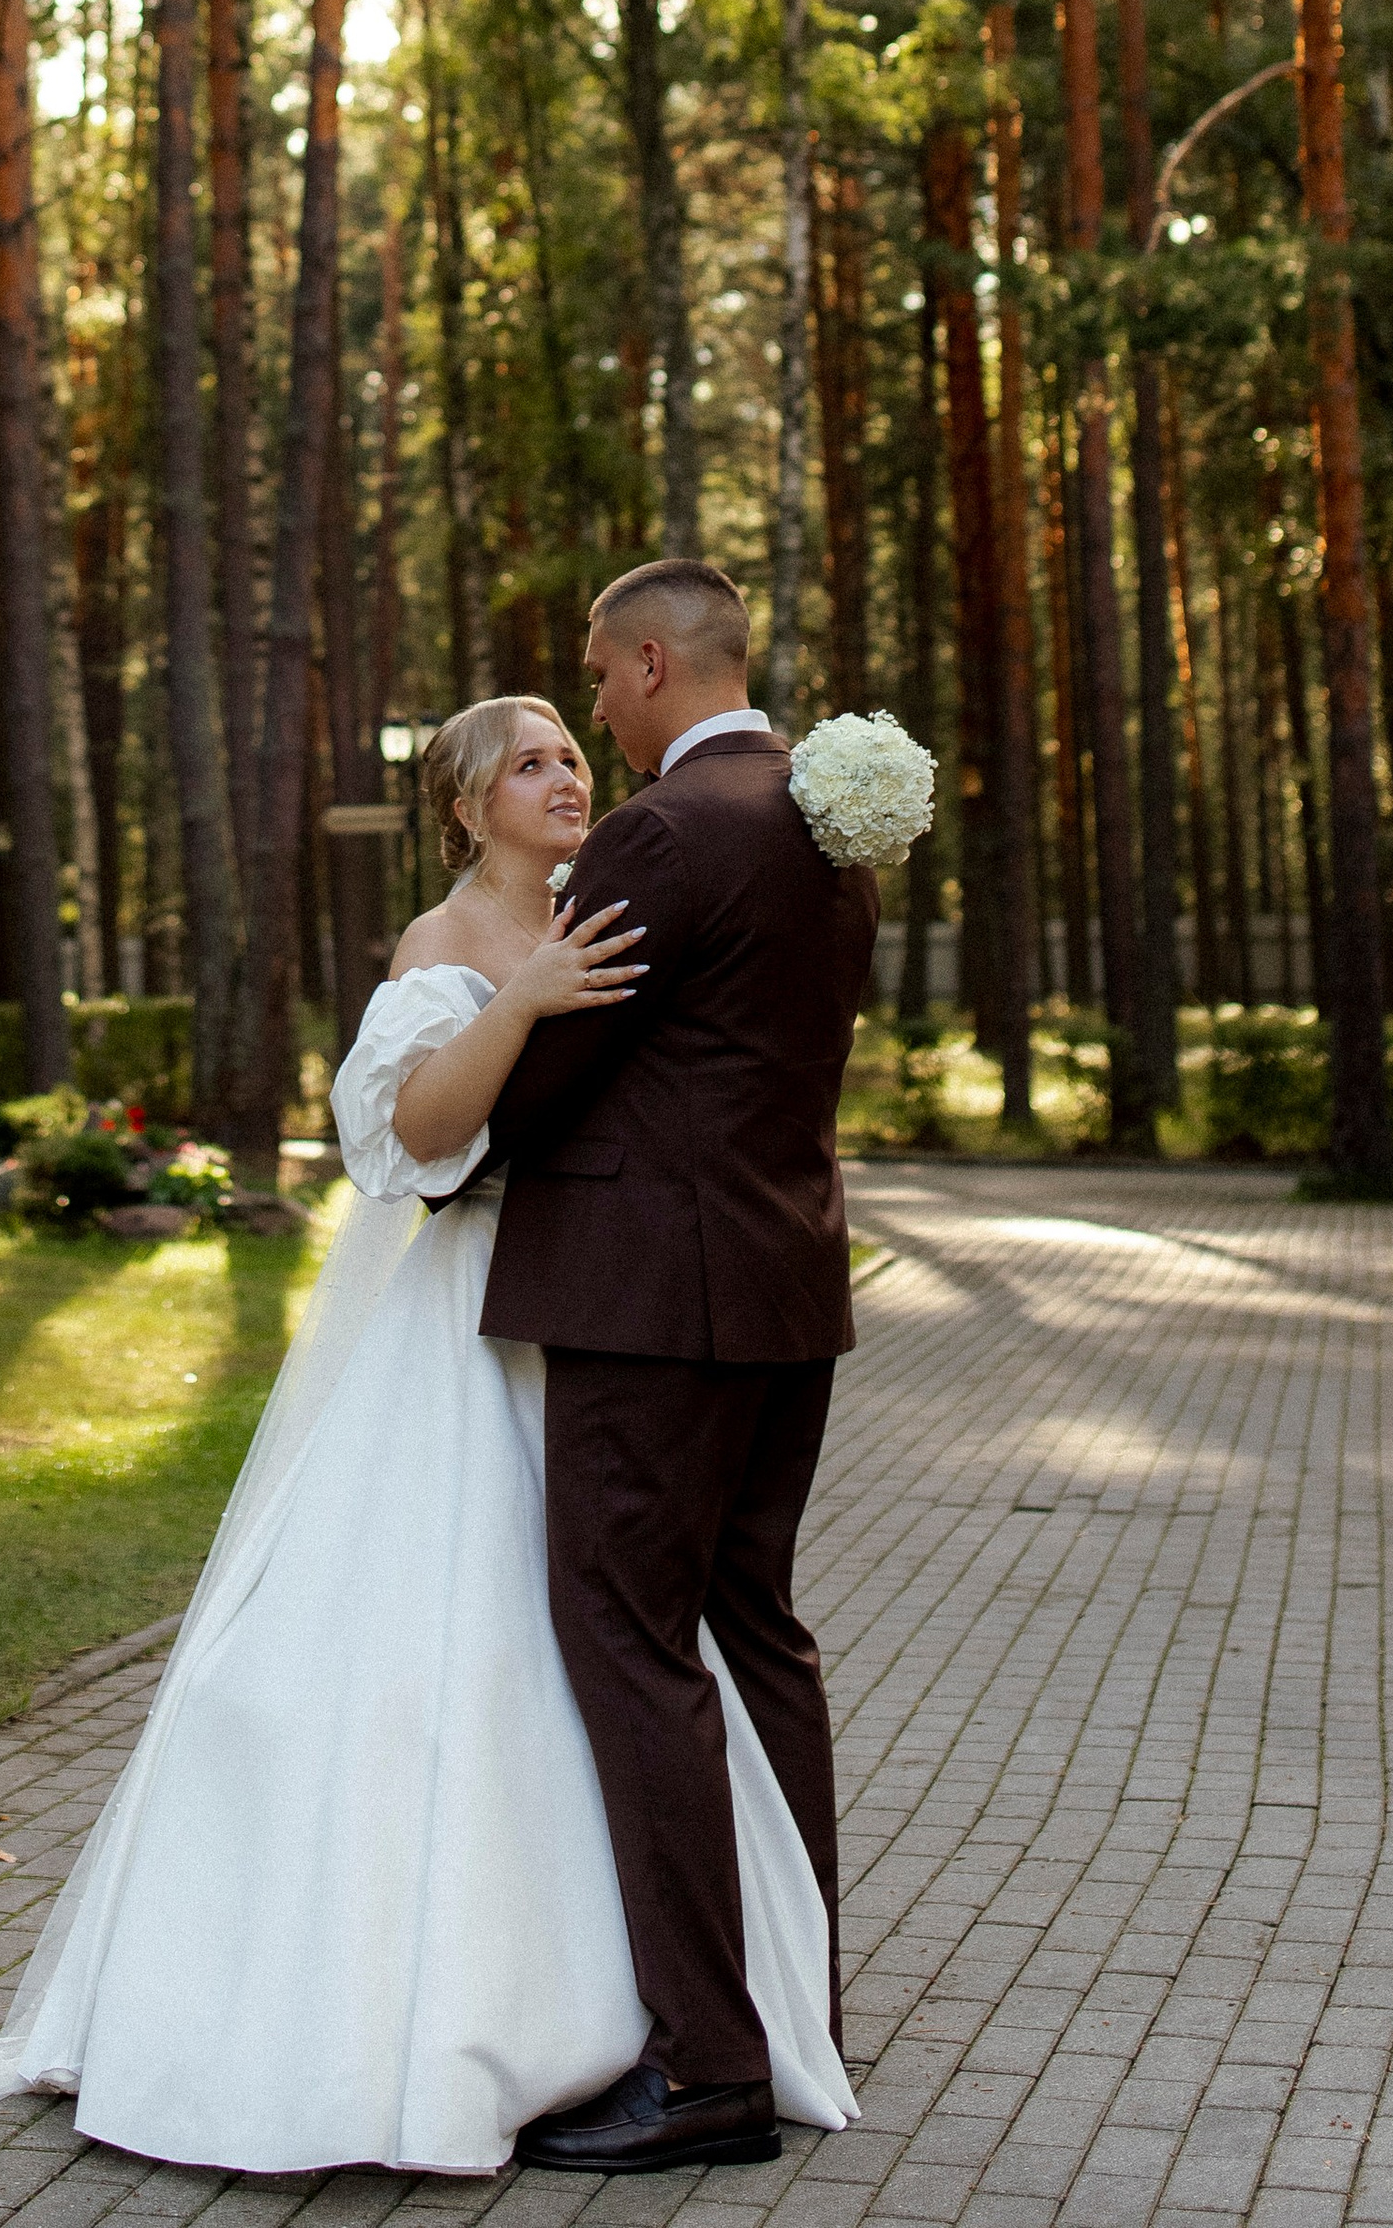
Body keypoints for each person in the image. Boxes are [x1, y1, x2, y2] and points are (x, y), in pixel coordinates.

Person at [0, 688, 857, 2178]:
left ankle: (656, 2009)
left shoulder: (618, 906)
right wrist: (521, 1001)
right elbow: (418, 1141)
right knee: (438, 1653)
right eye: (531, 764)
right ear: (464, 808)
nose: (567, 776)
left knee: (598, 1650)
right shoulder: (444, 951)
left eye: (574, 751)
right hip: (461, 1333)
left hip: (589, 1329)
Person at [475, 558, 880, 2179]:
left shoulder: (661, 830)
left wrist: (459, 1101)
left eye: (595, 673)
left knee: (627, 1643)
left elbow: (553, 1064)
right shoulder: (829, 824)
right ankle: (794, 2008)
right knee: (757, 1636)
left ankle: (708, 2065)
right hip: (787, 1286)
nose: (587, 704)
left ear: (653, 664)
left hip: (655, 1307)